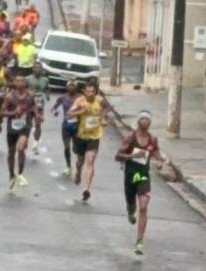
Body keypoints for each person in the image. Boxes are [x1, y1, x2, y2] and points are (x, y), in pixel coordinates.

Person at [114, 111, 167, 256]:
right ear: (138, 122)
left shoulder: (152, 139)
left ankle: (139, 241)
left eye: (147, 119)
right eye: (142, 119)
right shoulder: (130, 137)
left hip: (142, 176)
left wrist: (160, 161)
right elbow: (117, 156)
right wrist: (133, 155)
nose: (144, 121)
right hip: (130, 175)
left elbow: (156, 153)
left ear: (150, 123)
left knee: (143, 207)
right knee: (132, 205)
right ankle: (130, 210)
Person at [68, 78, 107, 202]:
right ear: (84, 92)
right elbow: (69, 114)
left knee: (90, 160)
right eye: (88, 91)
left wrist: (102, 118)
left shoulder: (100, 100)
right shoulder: (80, 101)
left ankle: (87, 189)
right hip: (81, 135)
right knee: (80, 161)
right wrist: (81, 111)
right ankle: (78, 172)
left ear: (96, 92)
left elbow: (106, 109)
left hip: (94, 136)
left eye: (92, 92)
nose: (90, 94)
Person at [1, 74, 39, 192]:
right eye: (18, 81)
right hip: (12, 128)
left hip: (25, 126)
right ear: (14, 83)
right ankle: (11, 174)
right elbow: (2, 112)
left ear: (25, 83)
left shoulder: (31, 95)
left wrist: (37, 115)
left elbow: (33, 107)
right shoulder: (9, 97)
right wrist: (13, 113)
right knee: (11, 153)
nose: (20, 83)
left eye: (22, 81)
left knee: (21, 148)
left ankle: (20, 173)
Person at [51, 80, 79, 176]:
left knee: (76, 148)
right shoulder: (62, 98)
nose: (71, 88)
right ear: (66, 87)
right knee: (67, 147)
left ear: (76, 87)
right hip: (66, 125)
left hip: (77, 126)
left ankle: (78, 165)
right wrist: (55, 111)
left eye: (73, 86)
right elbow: (54, 107)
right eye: (69, 86)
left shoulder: (81, 98)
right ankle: (68, 166)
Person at [26, 61, 48, 154]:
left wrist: (47, 95)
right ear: (33, 69)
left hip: (40, 104)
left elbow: (47, 88)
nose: (38, 69)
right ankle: (25, 140)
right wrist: (29, 93)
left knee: (38, 123)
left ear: (42, 70)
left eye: (40, 68)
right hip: (29, 103)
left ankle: (35, 144)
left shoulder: (45, 80)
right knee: (28, 124)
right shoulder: (28, 79)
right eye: (36, 68)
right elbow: (23, 89)